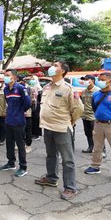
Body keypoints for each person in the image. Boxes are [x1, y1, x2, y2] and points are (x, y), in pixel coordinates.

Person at [34, 61, 84, 200]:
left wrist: (70, 122)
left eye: (55, 65)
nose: (52, 67)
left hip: (61, 128)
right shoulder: (47, 87)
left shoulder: (68, 88)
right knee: (51, 155)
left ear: (62, 71)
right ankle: (51, 178)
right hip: (47, 127)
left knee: (67, 159)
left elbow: (78, 109)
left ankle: (70, 188)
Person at [83, 72, 111, 184]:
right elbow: (95, 108)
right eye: (99, 79)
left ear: (110, 80)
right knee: (97, 147)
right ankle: (95, 166)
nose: (100, 81)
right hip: (98, 123)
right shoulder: (96, 94)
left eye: (102, 79)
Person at [0, 69, 31, 176]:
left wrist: (19, 112)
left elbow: (27, 103)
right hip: (9, 120)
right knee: (9, 143)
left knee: (20, 145)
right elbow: (8, 103)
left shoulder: (21, 88)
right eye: (5, 75)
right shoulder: (6, 89)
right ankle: (11, 162)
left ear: (14, 77)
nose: (5, 77)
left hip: (18, 121)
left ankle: (23, 167)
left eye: (7, 75)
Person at [80, 75, 107, 157]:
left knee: (97, 134)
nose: (85, 81)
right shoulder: (84, 91)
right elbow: (82, 103)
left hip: (94, 116)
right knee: (88, 133)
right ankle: (91, 147)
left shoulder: (98, 91)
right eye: (84, 79)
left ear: (92, 80)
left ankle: (102, 150)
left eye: (86, 79)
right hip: (85, 115)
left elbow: (102, 105)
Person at [23, 76, 38, 153]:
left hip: (27, 113)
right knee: (20, 129)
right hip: (19, 113)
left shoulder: (30, 89)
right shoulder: (18, 88)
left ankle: (28, 145)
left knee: (27, 130)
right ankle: (20, 143)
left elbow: (33, 102)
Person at [29, 74, 43, 140]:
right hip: (31, 106)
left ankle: (37, 134)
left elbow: (40, 99)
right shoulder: (30, 87)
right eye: (31, 79)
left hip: (37, 106)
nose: (31, 81)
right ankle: (32, 133)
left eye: (33, 79)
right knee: (32, 120)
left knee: (36, 120)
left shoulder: (39, 88)